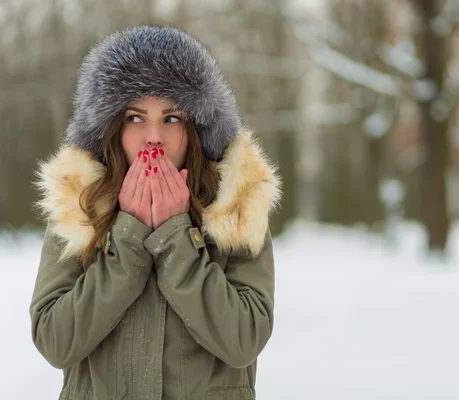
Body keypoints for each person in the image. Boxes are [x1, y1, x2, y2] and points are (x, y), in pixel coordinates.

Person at [29, 25, 281, 400]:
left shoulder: (235, 206)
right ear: (111, 130)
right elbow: (55, 339)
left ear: (195, 128)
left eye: (171, 118)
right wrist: (129, 238)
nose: (153, 137)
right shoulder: (78, 204)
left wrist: (175, 235)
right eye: (135, 118)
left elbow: (244, 339)